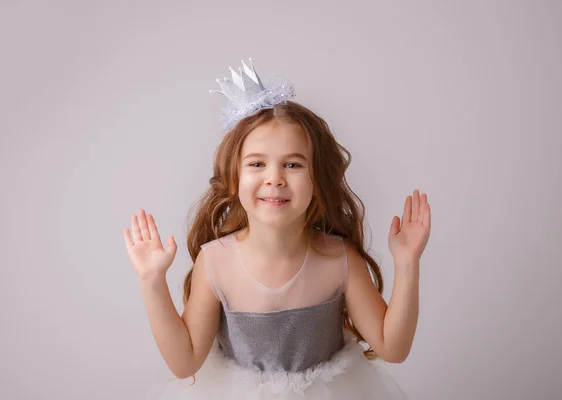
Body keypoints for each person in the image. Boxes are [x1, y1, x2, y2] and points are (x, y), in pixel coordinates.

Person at [124, 59, 431, 399]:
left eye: (292, 164)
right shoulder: (215, 264)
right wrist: (152, 282)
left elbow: (393, 348)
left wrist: (407, 264)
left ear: (317, 178)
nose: (274, 178)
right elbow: (185, 363)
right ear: (234, 177)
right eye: (257, 163)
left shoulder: (339, 259)